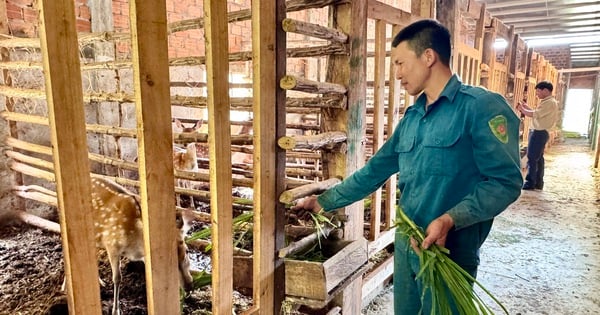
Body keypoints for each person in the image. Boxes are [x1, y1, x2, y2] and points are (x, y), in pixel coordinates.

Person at [291, 19, 523, 314]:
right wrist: (323, 201)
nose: (397, 74)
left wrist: (451, 219)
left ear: (428, 57)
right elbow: (374, 171)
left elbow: (505, 182)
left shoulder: (480, 107)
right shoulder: (413, 117)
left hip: (448, 250)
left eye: (401, 63)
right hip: (407, 244)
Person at [517, 81, 559, 190]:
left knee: (532, 157)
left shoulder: (549, 102)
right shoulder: (549, 102)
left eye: (538, 91)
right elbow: (538, 114)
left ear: (545, 90)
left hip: (538, 132)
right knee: (538, 158)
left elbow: (534, 114)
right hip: (541, 132)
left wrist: (522, 109)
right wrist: (526, 107)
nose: (537, 94)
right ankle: (538, 182)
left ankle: (530, 182)